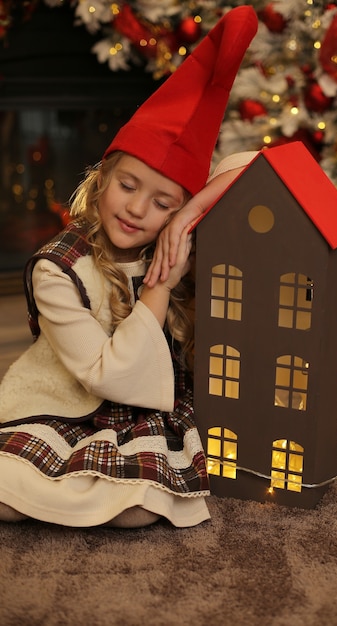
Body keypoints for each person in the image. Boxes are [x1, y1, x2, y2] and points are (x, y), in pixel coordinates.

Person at [0, 7, 258, 528]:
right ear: (101, 180)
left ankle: (82, 499)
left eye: (163, 202)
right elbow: (108, 375)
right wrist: (160, 285)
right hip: (67, 397)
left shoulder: (176, 239)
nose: (138, 210)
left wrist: (187, 215)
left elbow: (258, 166)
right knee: (7, 497)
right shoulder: (57, 269)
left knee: (135, 513)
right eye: (128, 185)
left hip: (142, 409)